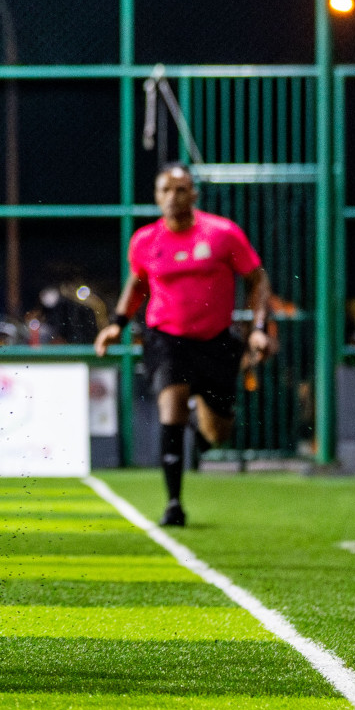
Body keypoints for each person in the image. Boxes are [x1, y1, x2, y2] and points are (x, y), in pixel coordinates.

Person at [93, 163, 271, 527]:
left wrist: (258, 327)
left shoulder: (222, 233)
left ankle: (199, 418)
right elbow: (138, 284)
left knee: (218, 435)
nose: (173, 197)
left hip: (216, 341)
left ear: (194, 194)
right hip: (166, 339)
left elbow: (258, 279)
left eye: (181, 190)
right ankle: (174, 504)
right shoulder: (144, 241)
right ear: (157, 196)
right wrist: (117, 324)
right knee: (170, 410)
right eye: (165, 190)